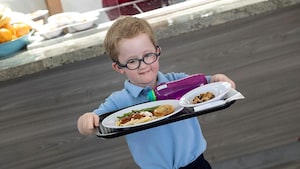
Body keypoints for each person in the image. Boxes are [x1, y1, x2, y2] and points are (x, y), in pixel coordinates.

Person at [77, 16, 236, 169]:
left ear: (157, 51)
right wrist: (86, 120)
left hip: (196, 164)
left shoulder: (177, 81)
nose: (143, 65)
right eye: (132, 61)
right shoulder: (119, 101)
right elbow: (94, 120)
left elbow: (210, 83)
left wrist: (219, 79)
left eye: (148, 55)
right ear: (119, 67)